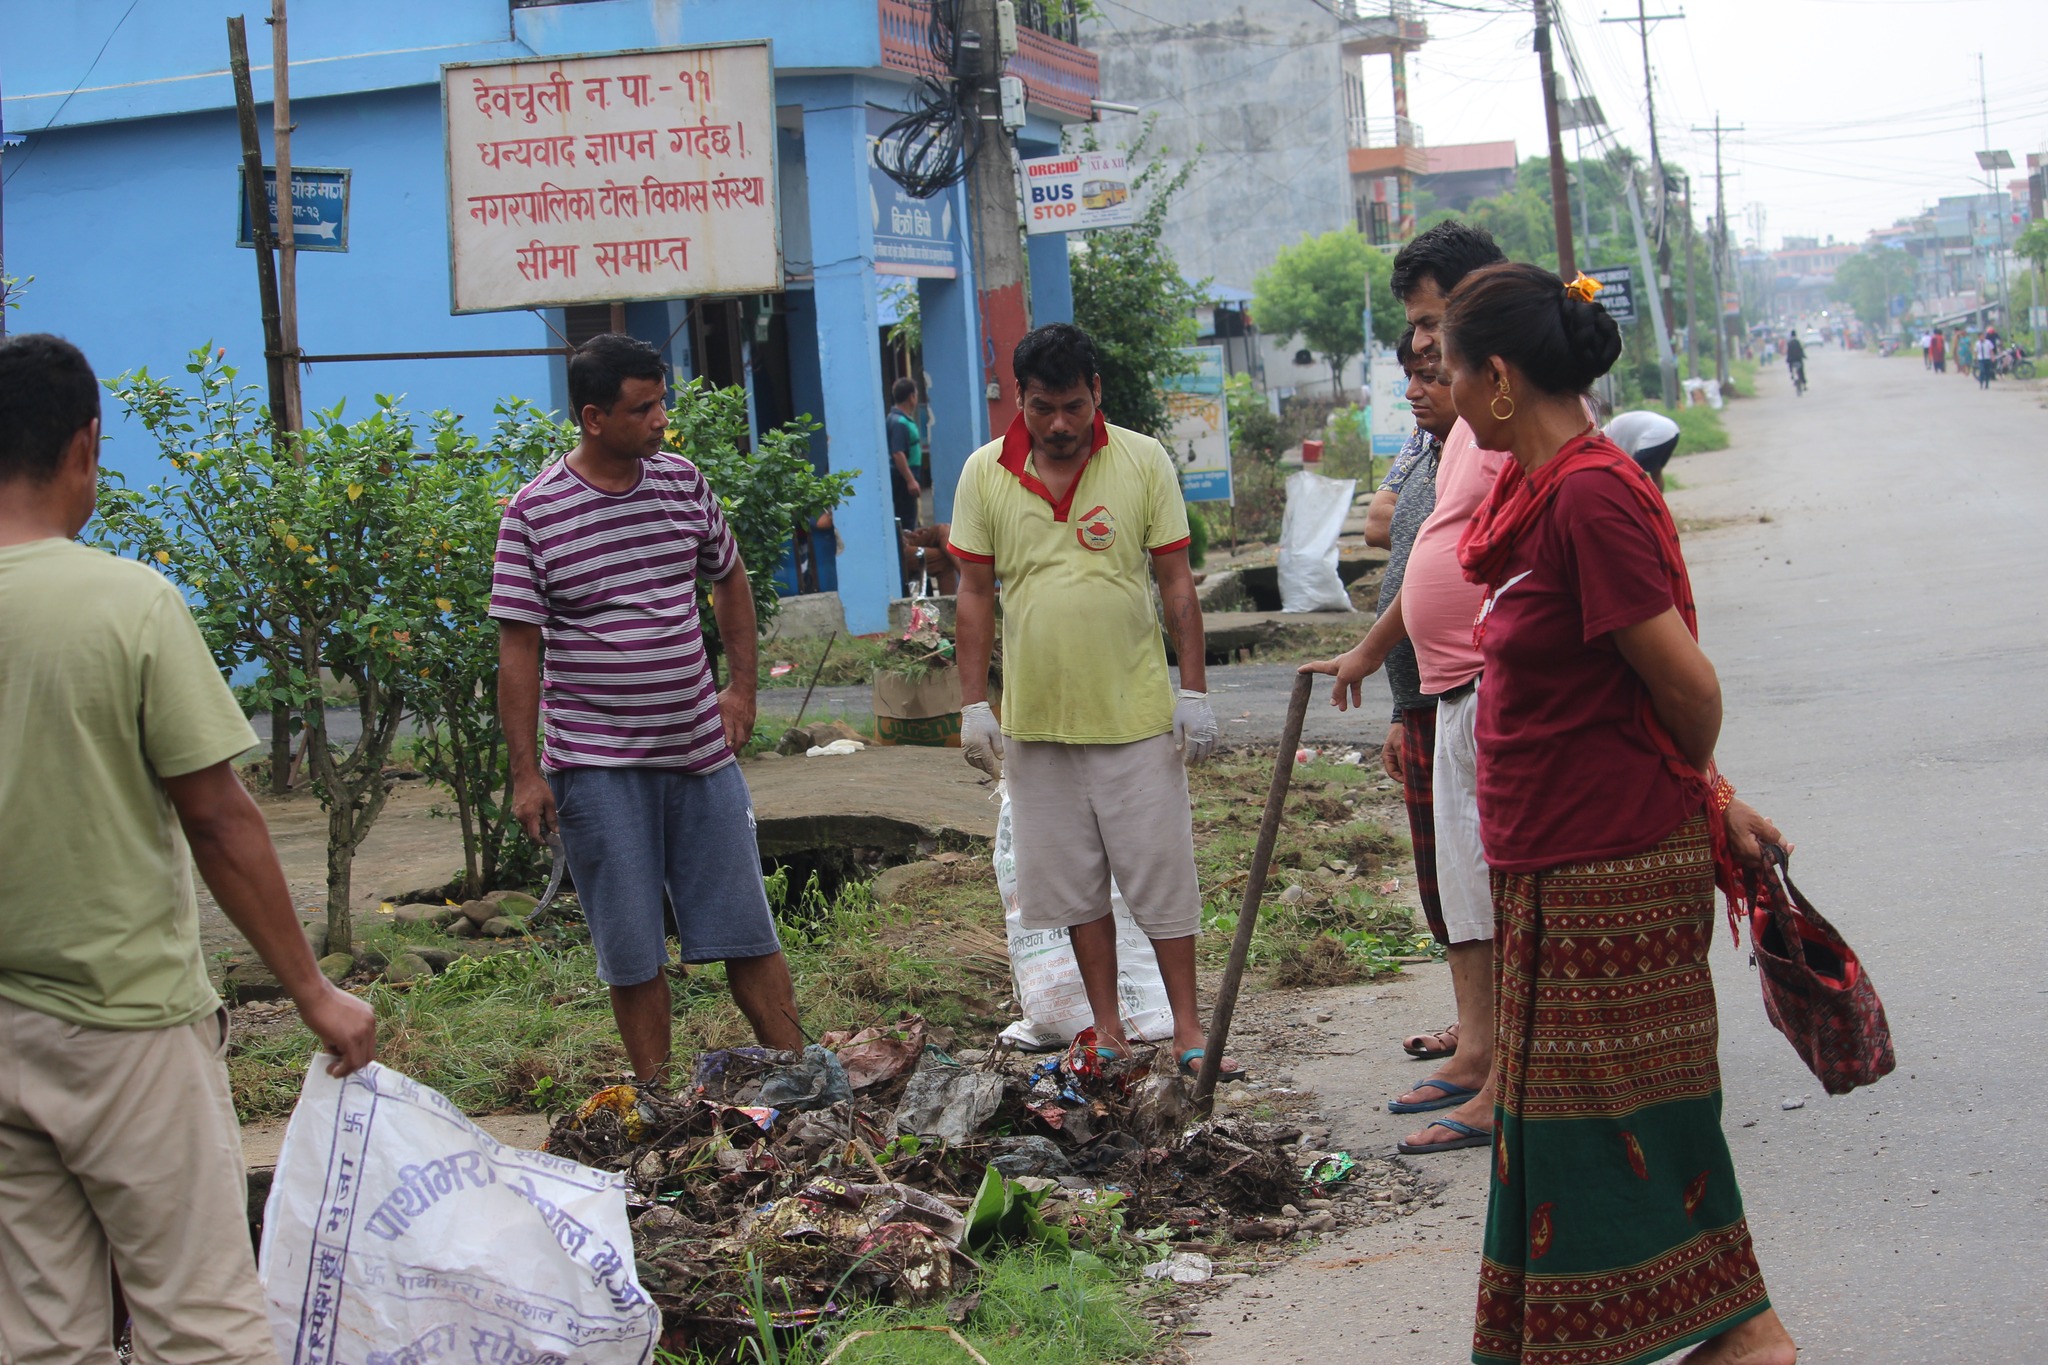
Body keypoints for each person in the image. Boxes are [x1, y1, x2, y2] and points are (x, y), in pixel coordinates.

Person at [1439, 263, 1797, 1365]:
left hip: (1609, 865)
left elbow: (1684, 690)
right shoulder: (1536, 493)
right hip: (1555, 861)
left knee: (1609, 1126)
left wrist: (1685, 793)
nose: (1443, 389)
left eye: (1450, 367)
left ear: (1497, 378)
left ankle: (1742, 1340)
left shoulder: (1589, 496)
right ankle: (1716, 1337)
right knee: (1580, 1127)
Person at [0, 333, 377, 1363]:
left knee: (38, 1334)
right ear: (86, 444)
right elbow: (217, 816)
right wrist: (313, 991)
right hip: (127, 1021)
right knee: (199, 1323)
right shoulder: (127, 603)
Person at [493, 333, 804, 1087]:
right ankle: (659, 1104)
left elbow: (729, 579)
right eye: (645, 407)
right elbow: (519, 649)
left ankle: (807, 1080)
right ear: (594, 418)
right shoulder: (534, 514)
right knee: (633, 954)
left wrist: (742, 689)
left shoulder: (682, 483)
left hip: (699, 754)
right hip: (597, 769)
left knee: (748, 933)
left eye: (661, 400)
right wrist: (527, 773)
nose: (662, 419)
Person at [947, 323, 1235, 1078]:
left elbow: (1177, 583)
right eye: (1044, 408)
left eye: (1074, 405)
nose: (1061, 424)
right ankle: (1106, 1029)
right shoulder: (984, 473)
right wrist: (974, 704)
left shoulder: (1142, 460)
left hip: (1135, 718)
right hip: (1038, 724)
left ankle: (1187, 1026)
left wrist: (1193, 690)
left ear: (1097, 393)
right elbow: (974, 593)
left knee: (1160, 875)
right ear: (1021, 400)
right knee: (1074, 884)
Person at [1300, 218, 1509, 1156]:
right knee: (1458, 884)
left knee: (1499, 889)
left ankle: (1508, 1070)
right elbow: (1421, 554)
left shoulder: (1504, 412)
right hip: (1440, 690)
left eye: (1434, 327)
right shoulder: (1447, 431)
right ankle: (1484, 1053)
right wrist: (1374, 667)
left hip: (1488, 686)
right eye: (1418, 335)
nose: (1422, 351)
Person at [1366, 330, 1463, 1062]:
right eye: (1408, 374)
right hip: (1422, 700)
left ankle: (1493, 1040)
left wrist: (1367, 652)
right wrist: (1400, 708)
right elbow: (1390, 542)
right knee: (1443, 883)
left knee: (1476, 883)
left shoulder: (1486, 455)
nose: (1412, 390)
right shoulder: (1426, 449)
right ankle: (1478, 1024)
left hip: (1465, 697)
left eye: (1428, 373)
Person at [1604, 408, 1682, 492]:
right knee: (1656, 471)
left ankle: (1642, 503)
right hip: (1672, 430)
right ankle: (1658, 503)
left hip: (1656, 434)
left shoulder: (1604, 437)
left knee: (1630, 473)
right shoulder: (1608, 430)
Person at [888, 375, 924, 539]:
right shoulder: (899, 422)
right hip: (903, 480)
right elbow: (898, 453)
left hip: (906, 477)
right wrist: (910, 480)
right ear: (911, 397)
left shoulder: (898, 419)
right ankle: (907, 560)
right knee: (906, 523)